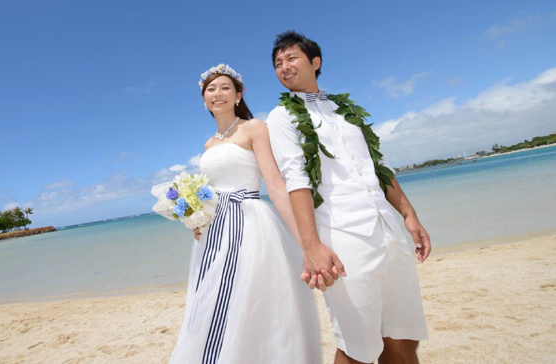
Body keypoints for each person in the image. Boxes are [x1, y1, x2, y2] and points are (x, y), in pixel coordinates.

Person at [267, 31, 430, 364]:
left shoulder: (346, 110)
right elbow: (295, 179)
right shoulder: (281, 117)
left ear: (315, 62)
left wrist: (409, 215)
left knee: (404, 337)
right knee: (358, 347)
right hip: (343, 237)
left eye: (291, 58)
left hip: (388, 230)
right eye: (277, 63)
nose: (283, 67)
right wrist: (311, 246)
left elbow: (378, 165)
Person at [168, 64, 322, 364]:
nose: (218, 94)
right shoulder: (209, 143)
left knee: (251, 299)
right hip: (214, 231)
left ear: (239, 95)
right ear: (204, 100)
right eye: (211, 90)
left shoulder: (254, 127)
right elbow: (208, 192)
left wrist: (306, 241)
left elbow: (275, 185)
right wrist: (195, 220)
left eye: (225, 87)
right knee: (212, 299)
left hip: (251, 223)